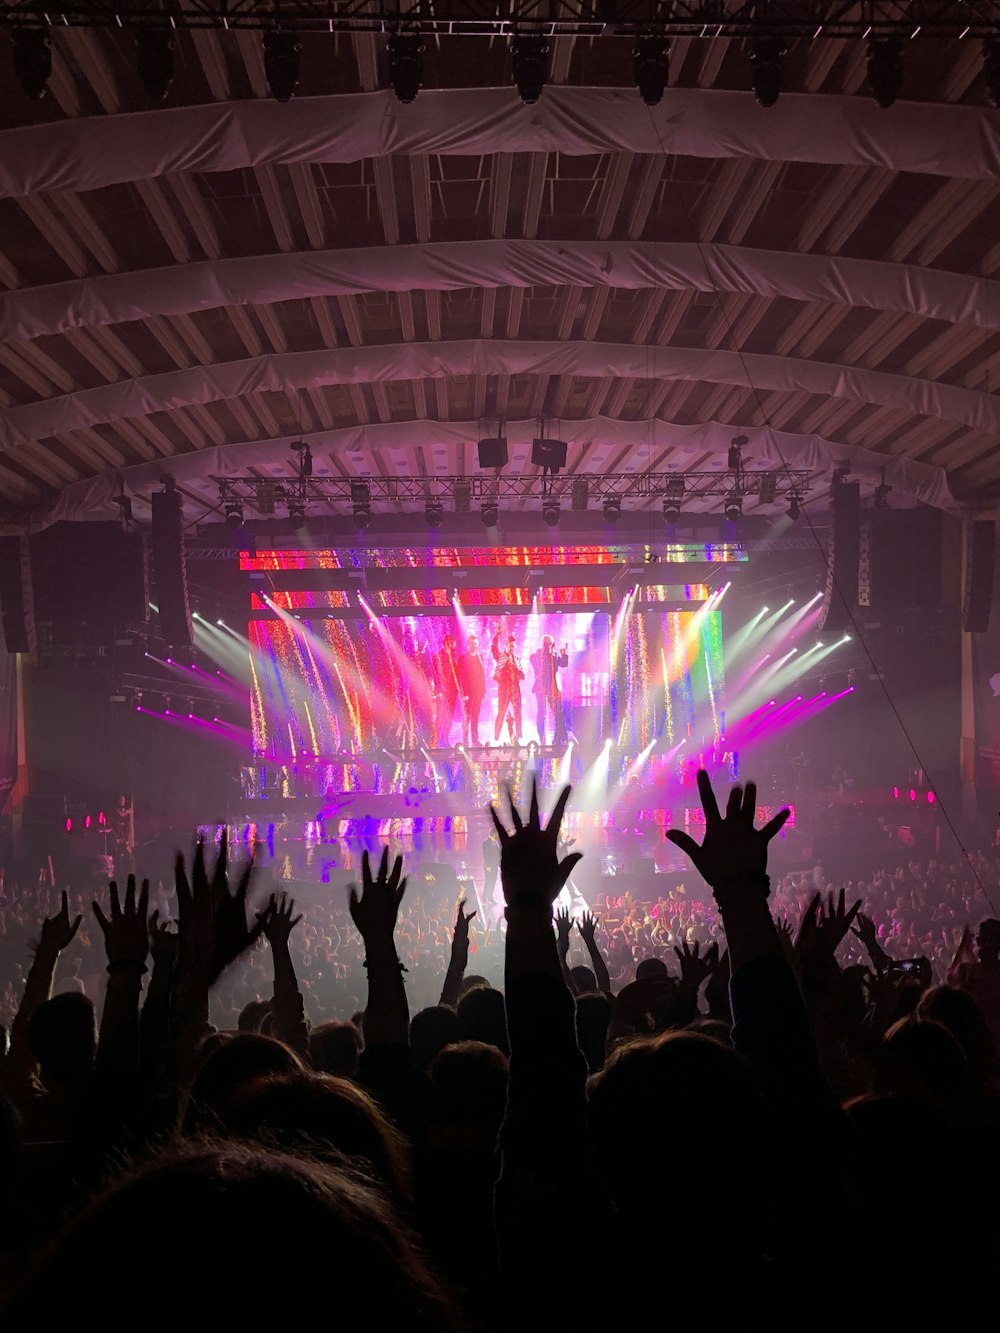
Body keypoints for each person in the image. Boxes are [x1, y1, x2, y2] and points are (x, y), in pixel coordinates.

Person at [529, 635, 568, 745]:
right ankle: (541, 736)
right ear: (543, 644)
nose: (549, 646)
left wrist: (564, 654)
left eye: (551, 644)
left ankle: (560, 737)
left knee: (558, 712)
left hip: (552, 687)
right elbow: (538, 663)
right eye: (547, 644)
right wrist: (548, 652)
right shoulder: (536, 655)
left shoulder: (554, 655)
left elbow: (564, 664)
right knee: (541, 713)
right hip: (541, 687)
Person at [491, 629, 524, 743]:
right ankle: (496, 737)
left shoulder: (517, 659)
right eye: (510, 646)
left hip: (515, 689)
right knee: (501, 712)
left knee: (518, 712)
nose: (512, 649)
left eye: (514, 646)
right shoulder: (501, 656)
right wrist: (497, 635)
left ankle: (519, 736)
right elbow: (494, 649)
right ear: (506, 646)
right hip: (504, 689)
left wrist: (520, 672)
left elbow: (522, 675)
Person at [432, 632, 462, 749]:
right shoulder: (438, 657)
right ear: (446, 643)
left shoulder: (453, 658)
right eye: (451, 643)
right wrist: (438, 691)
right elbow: (435, 675)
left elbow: (456, 675)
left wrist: (458, 690)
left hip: (452, 693)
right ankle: (436, 741)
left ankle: (444, 739)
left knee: (449, 717)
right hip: (443, 692)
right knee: (441, 717)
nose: (454, 645)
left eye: (453, 643)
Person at [459, 633, 487, 746]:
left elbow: (482, 676)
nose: (474, 646)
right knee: (467, 718)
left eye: (475, 644)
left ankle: (475, 740)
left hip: (478, 694)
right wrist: (463, 694)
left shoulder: (480, 657)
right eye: (472, 644)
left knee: (475, 718)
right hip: (468, 695)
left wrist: (484, 692)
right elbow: (460, 678)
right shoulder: (462, 658)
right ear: (467, 645)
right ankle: (465, 741)